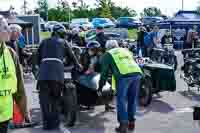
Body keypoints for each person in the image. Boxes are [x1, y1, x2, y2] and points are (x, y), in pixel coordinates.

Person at [37, 25, 82, 130]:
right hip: (57, 73)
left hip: (43, 74)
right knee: (55, 99)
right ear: (61, 33)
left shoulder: (43, 41)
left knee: (44, 101)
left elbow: (37, 56)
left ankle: (46, 125)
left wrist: (41, 67)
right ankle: (55, 123)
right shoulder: (63, 42)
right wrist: (78, 65)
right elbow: (72, 56)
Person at [97, 40, 143, 133]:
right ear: (117, 45)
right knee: (132, 99)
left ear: (108, 48)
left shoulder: (108, 54)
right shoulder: (125, 50)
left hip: (123, 76)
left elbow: (104, 73)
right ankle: (131, 122)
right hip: (136, 74)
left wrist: (100, 86)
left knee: (121, 100)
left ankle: (123, 125)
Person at [0, 15, 30, 133]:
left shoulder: (11, 54)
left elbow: (19, 86)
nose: (9, 31)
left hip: (4, 117)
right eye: (5, 28)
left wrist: (24, 111)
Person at [80, 41, 115, 111]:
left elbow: (102, 66)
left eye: (96, 49)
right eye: (92, 49)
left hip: (96, 74)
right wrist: (86, 70)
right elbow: (82, 67)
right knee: (85, 87)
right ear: (88, 49)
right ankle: (86, 104)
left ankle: (107, 104)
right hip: (85, 74)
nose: (94, 51)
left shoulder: (100, 55)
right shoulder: (84, 55)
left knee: (106, 86)